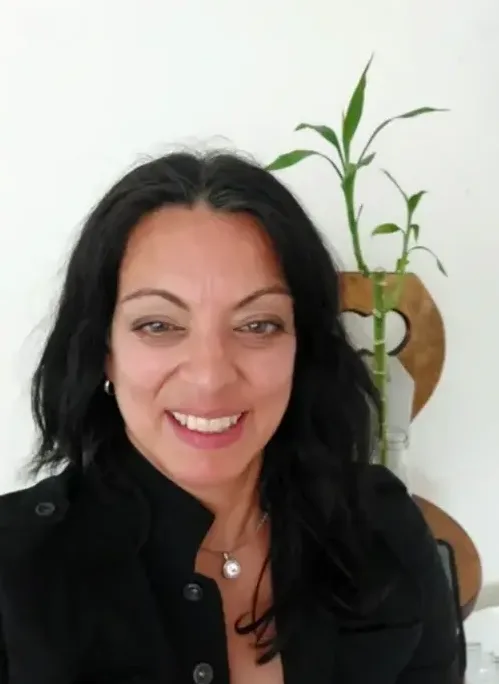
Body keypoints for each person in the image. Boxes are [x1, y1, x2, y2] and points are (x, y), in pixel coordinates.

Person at [0, 151, 460, 684]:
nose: (210, 377)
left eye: (258, 324)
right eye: (158, 324)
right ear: (103, 350)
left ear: (301, 346)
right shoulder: (14, 571)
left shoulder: (383, 528)